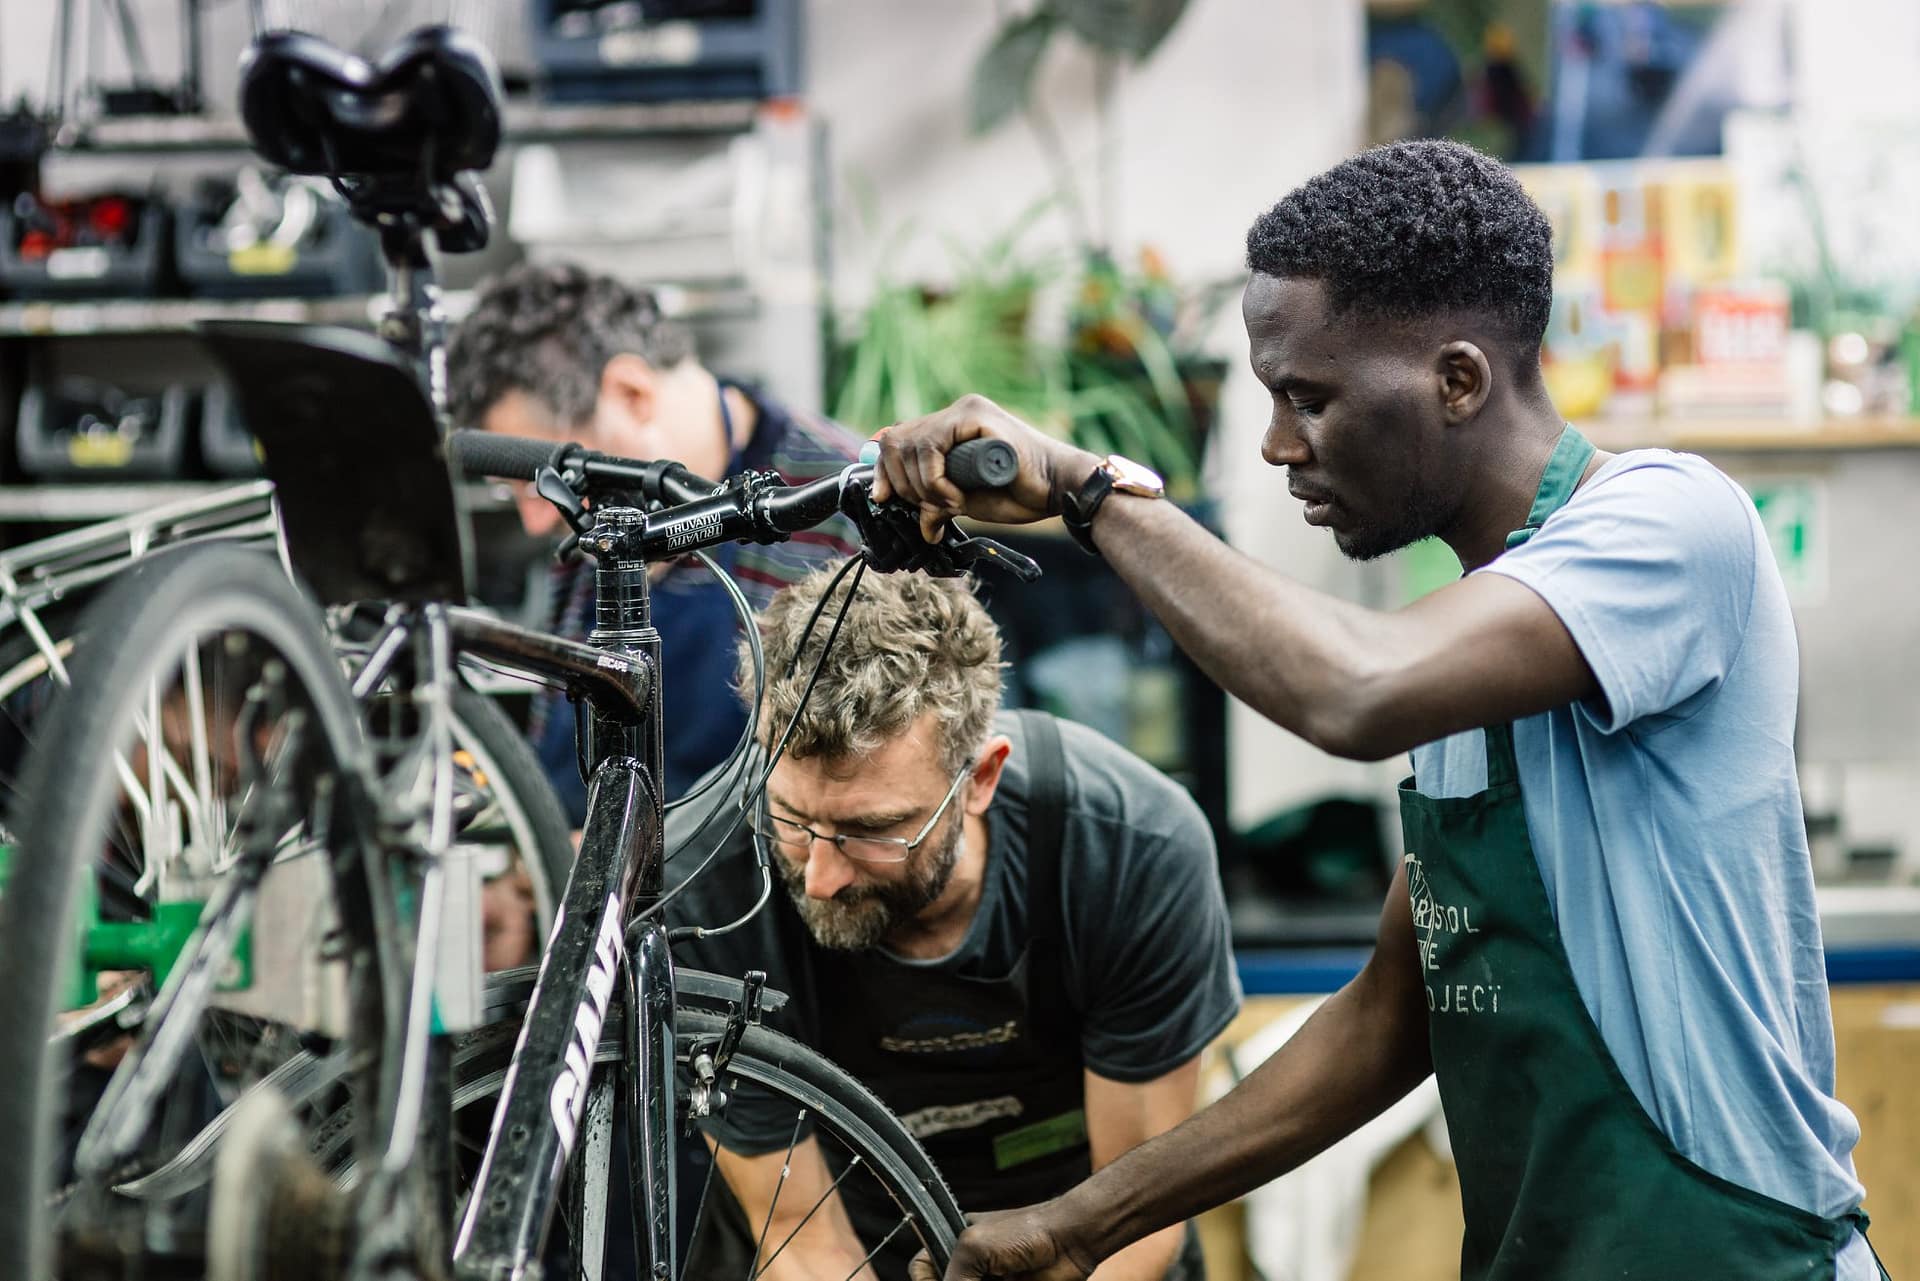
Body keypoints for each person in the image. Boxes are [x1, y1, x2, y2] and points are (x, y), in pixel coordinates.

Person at [871, 139, 1883, 1281]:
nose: (1277, 444)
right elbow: (1389, 1016)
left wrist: (1093, 494)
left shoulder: (1670, 523)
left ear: (1458, 381)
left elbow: (1351, 689)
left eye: (1310, 398)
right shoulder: (1474, 647)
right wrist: (1081, 1223)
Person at [667, 567, 1241, 1281]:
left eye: (870, 830)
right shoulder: (703, 879)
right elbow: (797, 1231)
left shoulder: (1130, 848)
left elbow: (1136, 1219)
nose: (819, 874)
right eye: (788, 814)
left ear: (980, 779)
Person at [447, 262, 866, 817]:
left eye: (542, 484)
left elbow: (854, 804)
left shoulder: (840, 512)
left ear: (632, 394)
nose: (536, 522)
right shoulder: (597, 512)